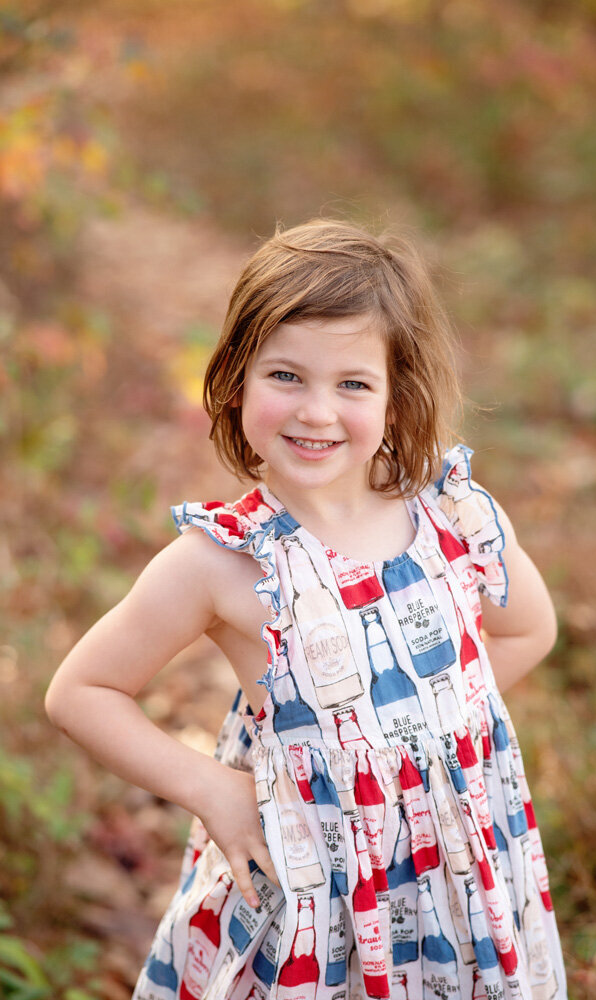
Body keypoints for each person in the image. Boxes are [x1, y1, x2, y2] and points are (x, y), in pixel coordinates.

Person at [46, 218, 568, 1000]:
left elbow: (530, 627)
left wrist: (431, 738)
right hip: (317, 890)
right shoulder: (223, 561)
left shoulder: (450, 513)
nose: (316, 412)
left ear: (397, 396)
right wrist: (210, 787)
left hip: (459, 873)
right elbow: (79, 693)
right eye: (285, 376)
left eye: (352, 384)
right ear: (235, 381)